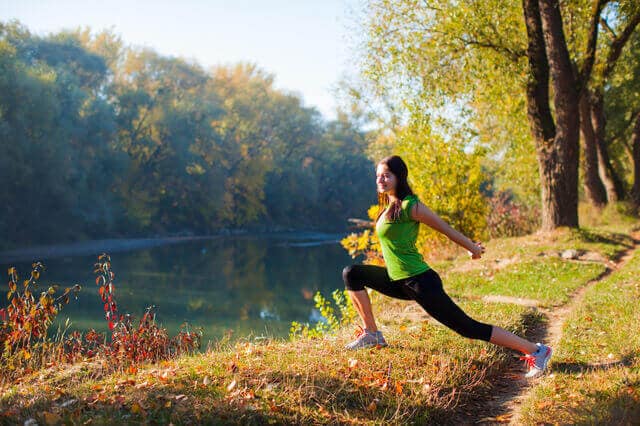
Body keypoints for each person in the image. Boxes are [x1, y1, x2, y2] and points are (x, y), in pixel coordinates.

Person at [342, 155, 552, 378]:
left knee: (467, 328)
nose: (381, 179)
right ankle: (372, 334)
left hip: (420, 281)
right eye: (378, 176)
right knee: (352, 274)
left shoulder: (410, 206)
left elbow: (445, 228)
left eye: (386, 175)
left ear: (398, 177)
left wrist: (471, 248)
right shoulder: (388, 207)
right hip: (398, 280)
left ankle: (536, 350)